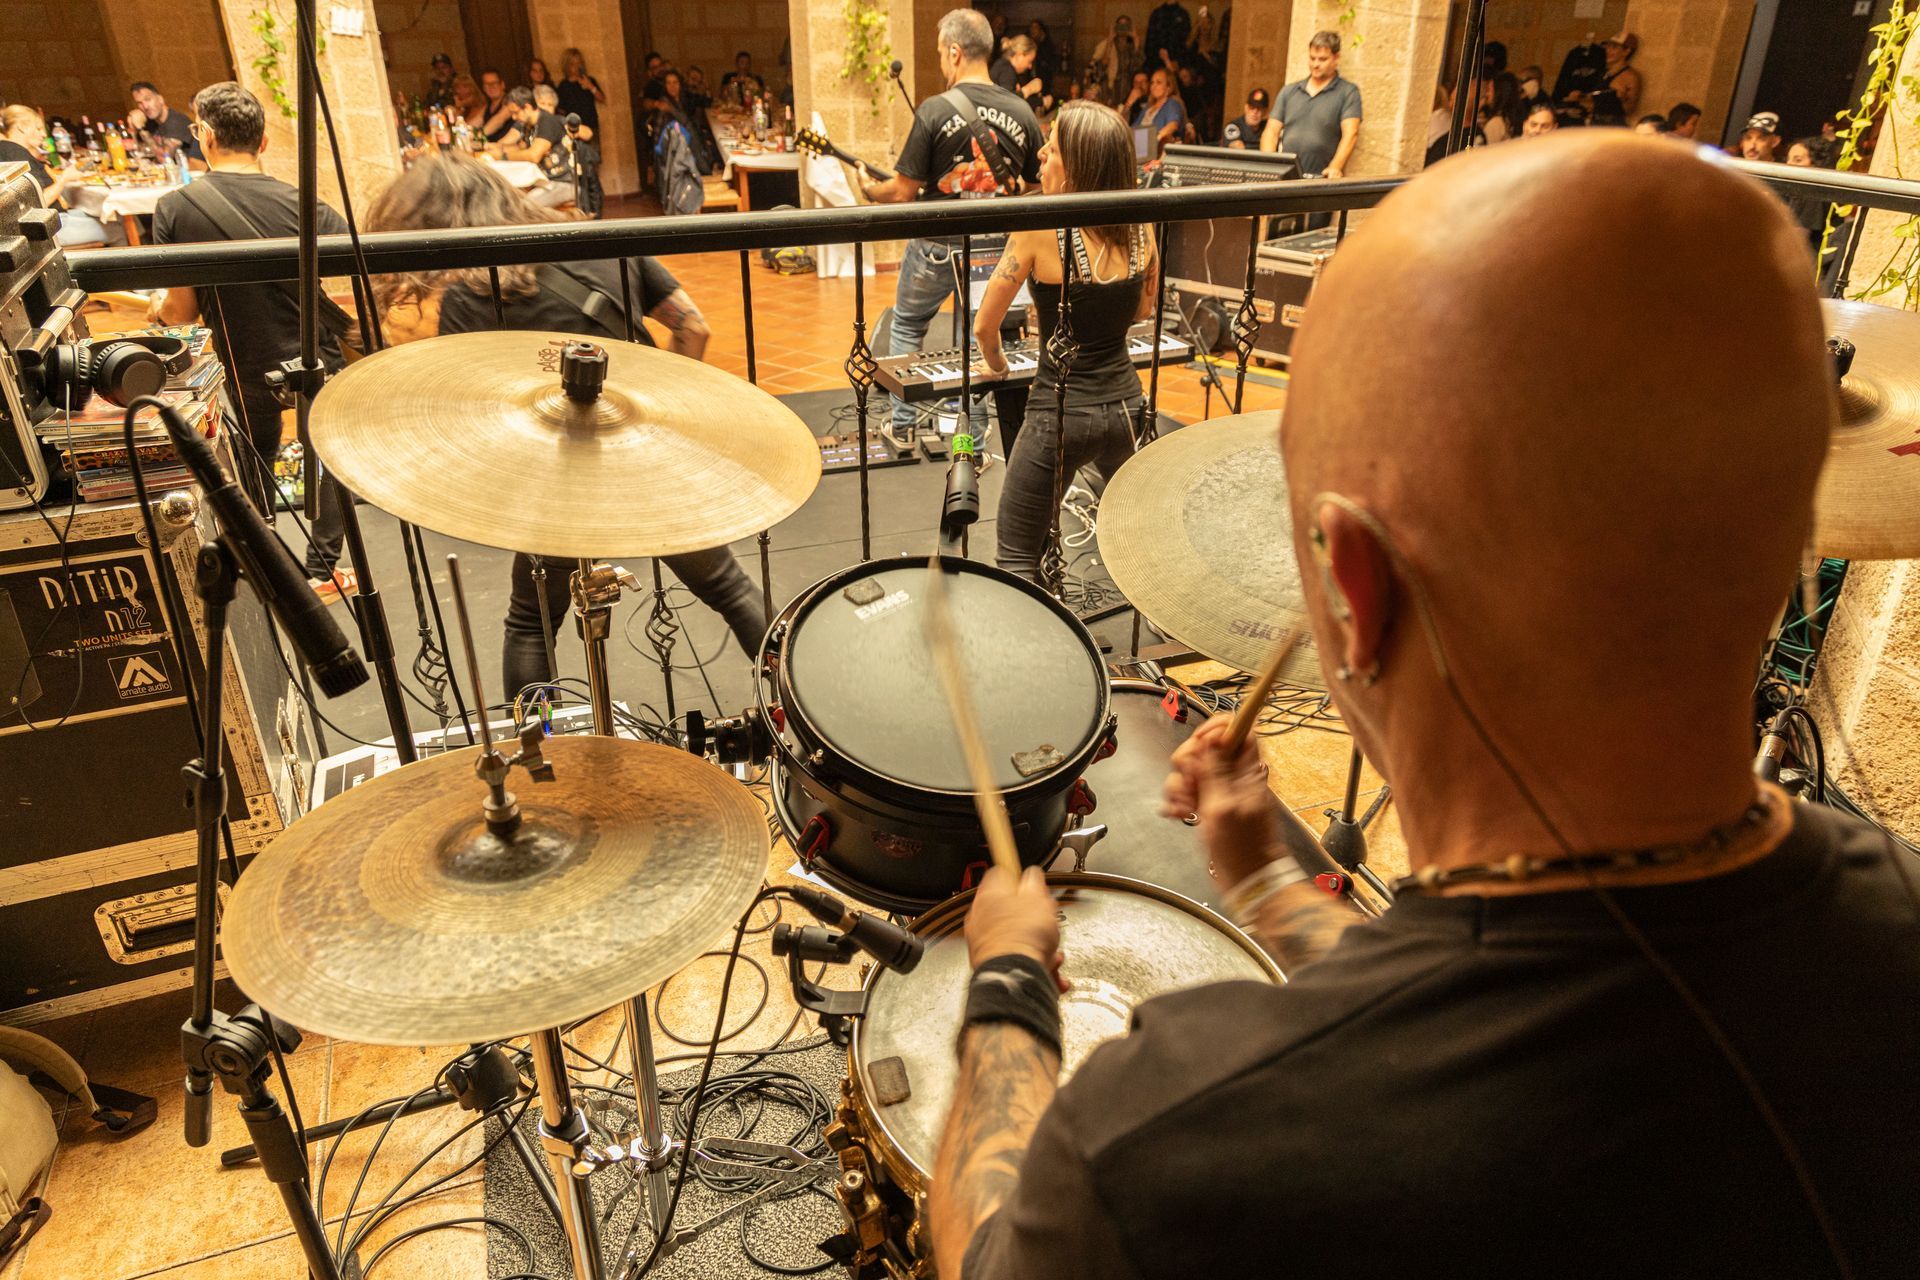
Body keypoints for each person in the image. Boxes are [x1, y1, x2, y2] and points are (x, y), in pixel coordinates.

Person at [928, 128, 1920, 1280]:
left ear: (1353, 584)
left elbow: (986, 1256)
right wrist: (1262, 879)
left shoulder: (1169, 1152)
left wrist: (1003, 985)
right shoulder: (1896, 923)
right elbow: (1496, 1000)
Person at [363, 152, 764, 696]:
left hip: (555, 482)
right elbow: (692, 327)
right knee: (732, 590)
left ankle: (541, 752)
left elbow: (467, 407)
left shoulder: (464, 296)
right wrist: (661, 422)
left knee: (531, 625)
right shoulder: (596, 241)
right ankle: (803, 716)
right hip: (640, 456)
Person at [151, 82, 350, 599]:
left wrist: (158, 308)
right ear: (263, 143)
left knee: (256, 454)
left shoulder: (177, 208)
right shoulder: (307, 205)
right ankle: (325, 569)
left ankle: (270, 565)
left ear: (207, 136)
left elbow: (182, 310)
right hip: (316, 356)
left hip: (246, 362)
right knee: (326, 455)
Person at [971, 101, 1157, 582]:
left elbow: (984, 326)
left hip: (1058, 412)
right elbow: (1142, 310)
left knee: (1016, 557)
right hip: (1125, 408)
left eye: (1050, 151)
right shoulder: (1142, 227)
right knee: (1139, 539)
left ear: (1073, 169)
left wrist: (997, 366)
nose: (1040, 158)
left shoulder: (1038, 229)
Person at [857, 9, 1042, 444]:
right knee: (977, 338)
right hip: (996, 251)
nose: (942, 63)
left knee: (907, 325)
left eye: (943, 54)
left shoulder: (935, 110)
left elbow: (903, 192)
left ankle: (902, 428)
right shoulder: (1022, 110)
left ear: (956, 52)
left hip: (937, 247)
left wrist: (869, 189)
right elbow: (1037, 188)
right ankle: (972, 442)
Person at [0, 105, 122, 246]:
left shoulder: (10, 149)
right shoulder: (14, 152)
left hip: (55, 219)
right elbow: (37, 202)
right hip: (51, 227)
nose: (43, 135)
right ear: (21, 127)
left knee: (118, 216)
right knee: (118, 229)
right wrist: (64, 178)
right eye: (38, 129)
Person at [1262, 31, 1362, 179]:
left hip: (1321, 178)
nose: (1315, 64)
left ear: (1336, 58)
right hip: (1286, 177)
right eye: (1312, 58)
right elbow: (1271, 131)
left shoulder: (1348, 92)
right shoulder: (1289, 91)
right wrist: (1268, 165)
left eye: (1322, 59)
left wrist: (1335, 167)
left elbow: (1351, 134)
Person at [488, 86, 576, 207]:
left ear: (527, 108)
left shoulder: (547, 121)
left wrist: (502, 155)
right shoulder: (530, 124)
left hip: (562, 182)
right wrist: (495, 148)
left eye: (515, 112)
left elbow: (534, 155)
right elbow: (521, 148)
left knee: (523, 208)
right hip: (544, 180)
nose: (513, 117)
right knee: (507, 199)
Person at [127, 81, 202, 164]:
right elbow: (135, 151)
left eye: (148, 99)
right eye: (139, 103)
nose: (145, 106)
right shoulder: (149, 122)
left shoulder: (177, 121)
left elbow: (164, 158)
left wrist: (141, 129)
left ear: (160, 99)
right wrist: (133, 130)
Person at [1586, 31, 1641, 126]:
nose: (1608, 50)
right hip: (1595, 123)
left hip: (1612, 126)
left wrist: (1620, 99)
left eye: (1614, 47)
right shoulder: (1604, 73)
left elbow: (1630, 108)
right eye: (1608, 46)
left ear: (1626, 51)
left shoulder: (1630, 77)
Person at [992, 34, 1051, 118]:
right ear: (1020, 55)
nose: (1030, 66)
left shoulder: (1004, 66)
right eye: (1029, 61)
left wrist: (1041, 101)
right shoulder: (1006, 69)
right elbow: (1007, 102)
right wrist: (1028, 89)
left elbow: (1016, 97)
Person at [1087, 14, 1140, 100]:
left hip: (1127, 89)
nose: (1123, 28)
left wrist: (1136, 40)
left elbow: (1136, 69)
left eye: (1126, 26)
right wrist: (1110, 40)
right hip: (1109, 89)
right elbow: (1099, 67)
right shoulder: (1106, 44)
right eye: (1120, 26)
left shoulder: (1132, 46)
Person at [556, 48, 606, 136]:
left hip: (591, 126)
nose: (577, 67)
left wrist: (590, 86)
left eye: (579, 63)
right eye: (573, 64)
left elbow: (602, 99)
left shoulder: (589, 80)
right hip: (573, 129)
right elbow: (561, 110)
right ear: (567, 66)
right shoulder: (563, 85)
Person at [1134, 68, 1186, 150]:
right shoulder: (1147, 108)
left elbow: (1173, 125)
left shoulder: (1172, 103)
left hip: (1157, 152)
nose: (1154, 86)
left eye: (1158, 82)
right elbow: (1134, 129)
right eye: (1152, 82)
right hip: (1139, 149)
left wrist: (1155, 139)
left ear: (1168, 87)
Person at [1480, 70, 1523, 143]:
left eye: (1489, 89)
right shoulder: (1510, 119)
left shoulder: (1496, 123)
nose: (1486, 94)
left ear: (1499, 92)